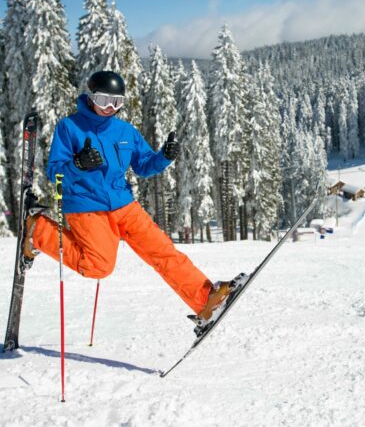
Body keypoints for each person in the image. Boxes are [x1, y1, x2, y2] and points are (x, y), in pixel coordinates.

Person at [21, 71, 236, 325]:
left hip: (123, 204)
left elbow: (144, 165)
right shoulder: (70, 127)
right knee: (99, 266)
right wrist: (78, 164)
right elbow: (54, 172)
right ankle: (39, 230)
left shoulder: (125, 131)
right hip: (86, 206)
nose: (109, 108)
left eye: (116, 102)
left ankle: (205, 300)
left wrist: (164, 156)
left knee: (163, 251)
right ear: (91, 98)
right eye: (103, 101)